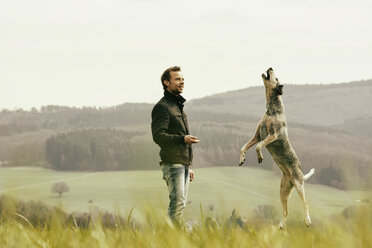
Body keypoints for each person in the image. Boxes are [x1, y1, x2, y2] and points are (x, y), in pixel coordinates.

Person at [151, 66, 200, 225]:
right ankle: (170, 239)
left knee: (181, 204)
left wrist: (189, 165)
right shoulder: (162, 107)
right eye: (178, 79)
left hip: (182, 163)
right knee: (177, 204)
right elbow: (158, 136)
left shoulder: (178, 106)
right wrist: (182, 139)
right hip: (173, 163)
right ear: (166, 82)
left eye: (183, 79)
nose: (182, 82)